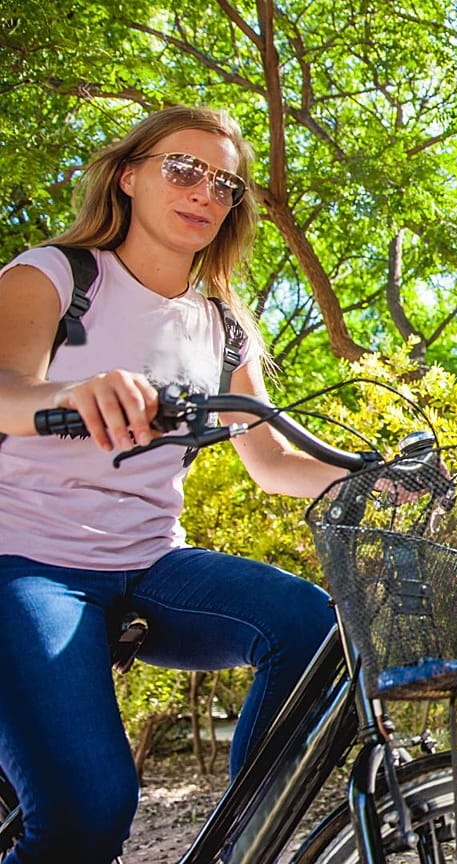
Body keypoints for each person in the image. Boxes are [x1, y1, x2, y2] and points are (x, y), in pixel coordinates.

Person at [0, 106, 350, 862]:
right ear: (128, 177)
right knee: (87, 813)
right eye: (184, 169)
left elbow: (270, 459)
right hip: (24, 561)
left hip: (152, 562)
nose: (205, 193)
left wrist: (378, 481)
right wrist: (73, 392)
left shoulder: (223, 325)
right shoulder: (55, 275)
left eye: (225, 184)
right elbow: (4, 387)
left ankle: (244, 843)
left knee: (312, 626)